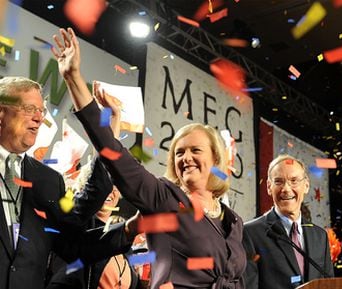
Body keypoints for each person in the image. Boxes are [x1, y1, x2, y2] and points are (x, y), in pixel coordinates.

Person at [51, 27, 246, 289]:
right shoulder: (163, 197)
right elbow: (112, 151)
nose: (185, 157)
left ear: (215, 158)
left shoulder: (234, 221)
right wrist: (73, 77)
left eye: (195, 150)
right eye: (179, 152)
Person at [0, 76, 137, 289]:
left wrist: (129, 229)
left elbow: (73, 245)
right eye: (29, 109)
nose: (38, 118)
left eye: (42, 111)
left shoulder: (47, 180)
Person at [242, 154, 334, 289]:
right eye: (279, 181)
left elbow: (329, 284)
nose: (286, 189)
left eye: (294, 181)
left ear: (306, 186)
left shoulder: (320, 236)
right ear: (268, 187)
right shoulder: (250, 233)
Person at [46, 186, 143, 289]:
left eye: (115, 188)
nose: (110, 192)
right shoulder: (73, 229)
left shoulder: (126, 247)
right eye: (106, 186)